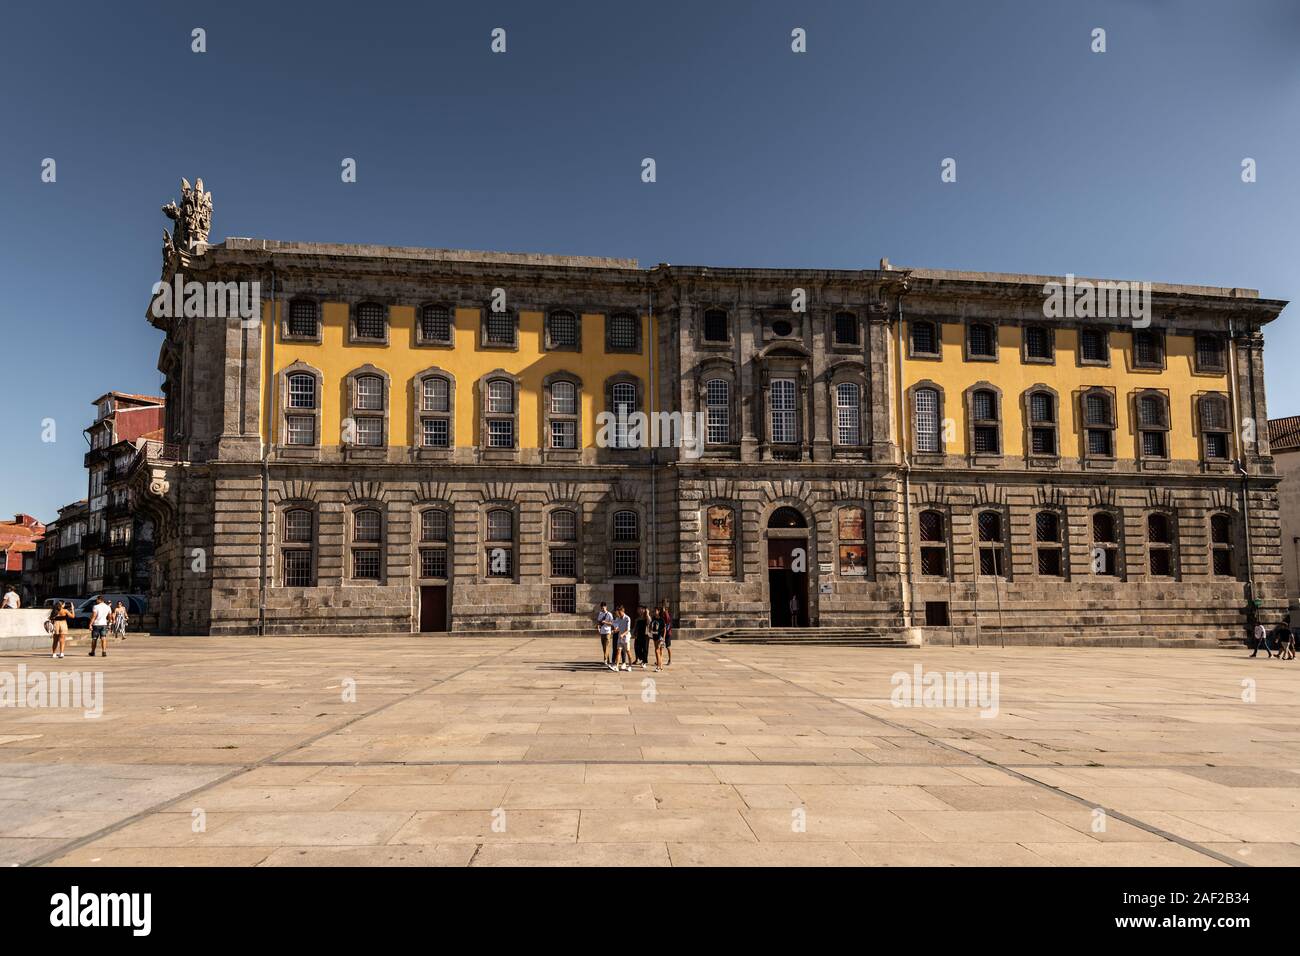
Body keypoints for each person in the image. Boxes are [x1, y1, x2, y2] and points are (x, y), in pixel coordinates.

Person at [612, 605, 633, 672]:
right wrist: (615, 631)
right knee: (618, 651)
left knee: (628, 652)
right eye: (618, 612)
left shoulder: (627, 618)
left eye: (619, 612)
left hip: (626, 638)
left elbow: (628, 629)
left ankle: (630, 666)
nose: (618, 614)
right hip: (620, 638)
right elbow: (618, 627)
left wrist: (623, 634)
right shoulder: (618, 618)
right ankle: (617, 666)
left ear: (622, 611)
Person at [595, 602, 614, 666]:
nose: (602, 609)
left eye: (603, 607)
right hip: (602, 632)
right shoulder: (600, 614)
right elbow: (598, 622)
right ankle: (607, 660)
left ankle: (605, 659)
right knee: (604, 647)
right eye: (601, 608)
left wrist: (605, 622)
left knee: (607, 646)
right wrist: (598, 628)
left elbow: (612, 623)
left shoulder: (609, 614)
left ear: (606, 607)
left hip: (608, 632)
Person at [650, 607, 666, 672]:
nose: (654, 612)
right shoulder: (653, 619)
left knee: (657, 651)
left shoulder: (661, 620)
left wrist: (663, 638)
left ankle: (658, 667)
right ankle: (660, 666)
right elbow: (650, 626)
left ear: (658, 611)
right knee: (658, 652)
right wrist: (650, 631)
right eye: (653, 611)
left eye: (655, 611)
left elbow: (664, 629)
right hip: (655, 636)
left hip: (660, 637)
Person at [659, 601, 673, 666]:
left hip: (667, 633)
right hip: (662, 633)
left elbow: (667, 621)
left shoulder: (667, 615)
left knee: (668, 647)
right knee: (660, 647)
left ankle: (670, 660)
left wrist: (665, 612)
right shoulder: (662, 615)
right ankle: (659, 660)